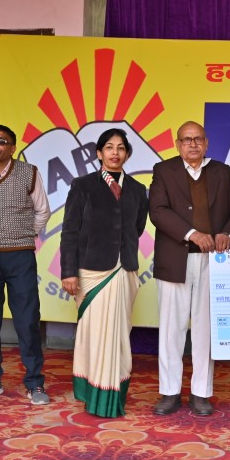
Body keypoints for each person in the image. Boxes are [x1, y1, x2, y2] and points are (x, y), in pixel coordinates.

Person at [149, 121, 230, 416]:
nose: (192, 144)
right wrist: (192, 234)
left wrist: (227, 234)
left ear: (206, 143)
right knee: (171, 330)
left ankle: (201, 393)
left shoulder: (221, 171)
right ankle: (169, 392)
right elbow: (157, 211)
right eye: (186, 139)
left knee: (205, 329)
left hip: (211, 262)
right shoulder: (163, 170)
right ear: (177, 144)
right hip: (175, 261)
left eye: (197, 139)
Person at [60, 128, 148, 417]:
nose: (115, 153)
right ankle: (93, 392)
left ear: (127, 154)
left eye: (120, 148)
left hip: (124, 270)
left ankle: (112, 395)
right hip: (91, 272)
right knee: (95, 335)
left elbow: (137, 228)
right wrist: (69, 272)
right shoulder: (83, 185)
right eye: (109, 147)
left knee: (119, 336)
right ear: (99, 153)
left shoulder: (137, 190)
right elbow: (70, 231)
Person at [0, 125, 51, 405]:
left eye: (2, 142)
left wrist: (26, 234)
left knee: (27, 321)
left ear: (13, 147)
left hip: (20, 257)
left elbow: (42, 210)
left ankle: (35, 383)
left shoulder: (29, 173)